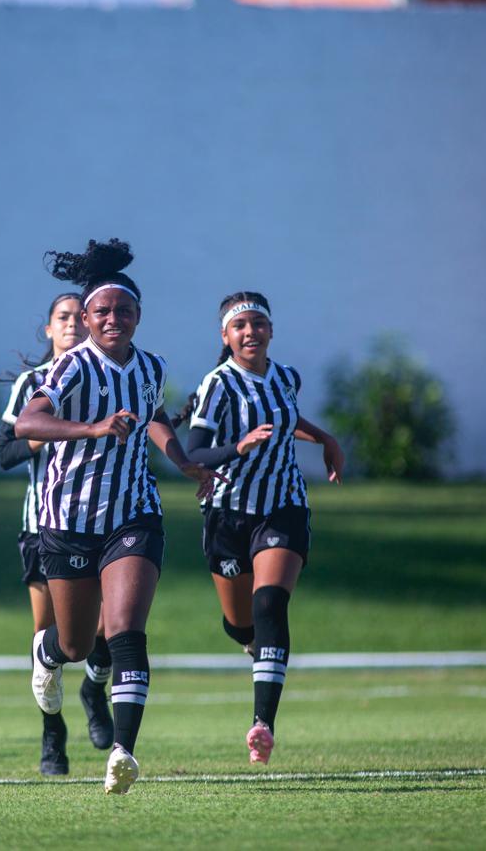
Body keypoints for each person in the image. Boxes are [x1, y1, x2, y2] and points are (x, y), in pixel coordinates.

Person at [14, 238, 222, 795]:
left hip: (134, 516)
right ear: (85, 318)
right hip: (69, 519)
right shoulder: (73, 368)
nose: (112, 319)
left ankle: (124, 754)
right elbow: (27, 424)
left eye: (123, 311)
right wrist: (93, 429)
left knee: (128, 632)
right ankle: (47, 652)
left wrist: (182, 462)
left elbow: (153, 416)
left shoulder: (152, 365)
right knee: (77, 646)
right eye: (102, 312)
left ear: (138, 316)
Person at [171, 291, 344, 765]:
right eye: (240, 326)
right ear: (225, 336)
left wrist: (325, 439)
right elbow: (195, 453)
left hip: (282, 507)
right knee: (240, 623)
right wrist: (238, 448)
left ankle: (262, 725)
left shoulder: (287, 377)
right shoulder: (219, 385)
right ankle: (254, 643)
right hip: (228, 514)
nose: (250, 332)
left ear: (271, 330)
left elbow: (285, 421)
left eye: (258, 324)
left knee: (270, 602)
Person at [0, 292, 114, 776]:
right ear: (48, 329)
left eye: (76, 317)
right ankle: (52, 732)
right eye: (60, 318)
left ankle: (94, 687)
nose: (70, 325)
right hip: (45, 526)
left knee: (111, 624)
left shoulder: (113, 373)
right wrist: (58, 429)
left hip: (109, 520)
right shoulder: (32, 382)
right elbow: (4, 453)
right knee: (55, 638)